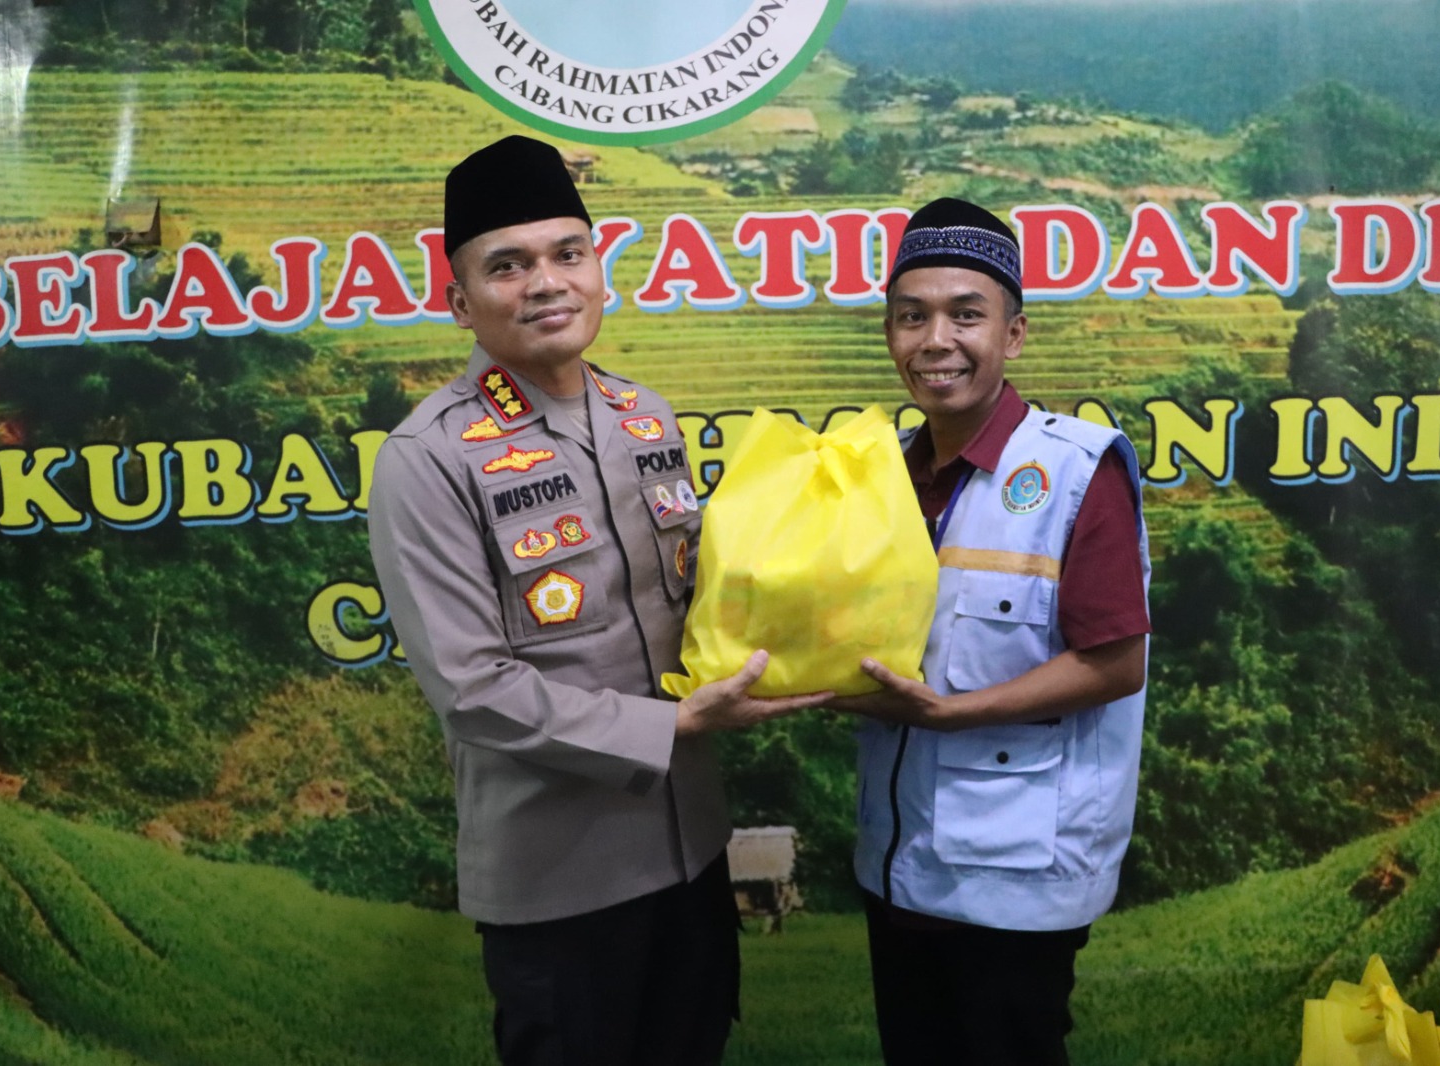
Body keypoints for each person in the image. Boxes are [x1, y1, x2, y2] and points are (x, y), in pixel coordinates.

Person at [367, 134, 827, 1066]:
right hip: (558, 884)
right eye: (509, 265)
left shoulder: (643, 416)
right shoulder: (427, 459)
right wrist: (673, 729)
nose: (546, 283)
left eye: (566, 254)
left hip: (693, 855)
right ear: (459, 300)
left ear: (596, 270)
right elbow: (472, 688)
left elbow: (702, 597)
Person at [829, 197, 1151, 1066]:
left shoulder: (1076, 469)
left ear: (1013, 334)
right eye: (912, 316)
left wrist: (951, 714)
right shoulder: (885, 476)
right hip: (901, 861)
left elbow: (1117, 662)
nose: (937, 340)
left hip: (1017, 875)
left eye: (966, 314)